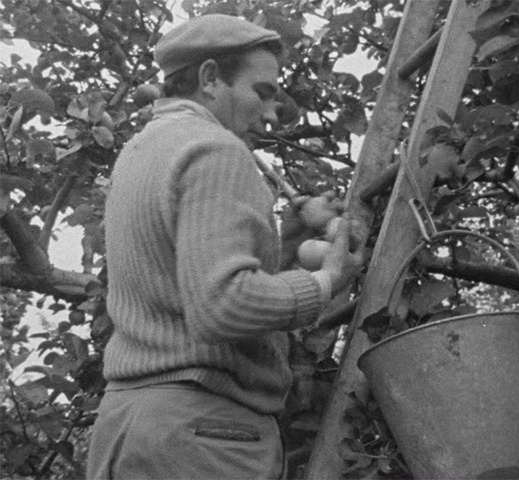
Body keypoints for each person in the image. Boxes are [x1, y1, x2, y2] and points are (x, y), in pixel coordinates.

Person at [86, 14, 363, 480]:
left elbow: (183, 277)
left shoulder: (141, 150)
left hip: (128, 427)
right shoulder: (216, 149)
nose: (272, 114)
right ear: (211, 78)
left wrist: (289, 238)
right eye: (262, 92)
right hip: (202, 437)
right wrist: (328, 280)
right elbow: (223, 306)